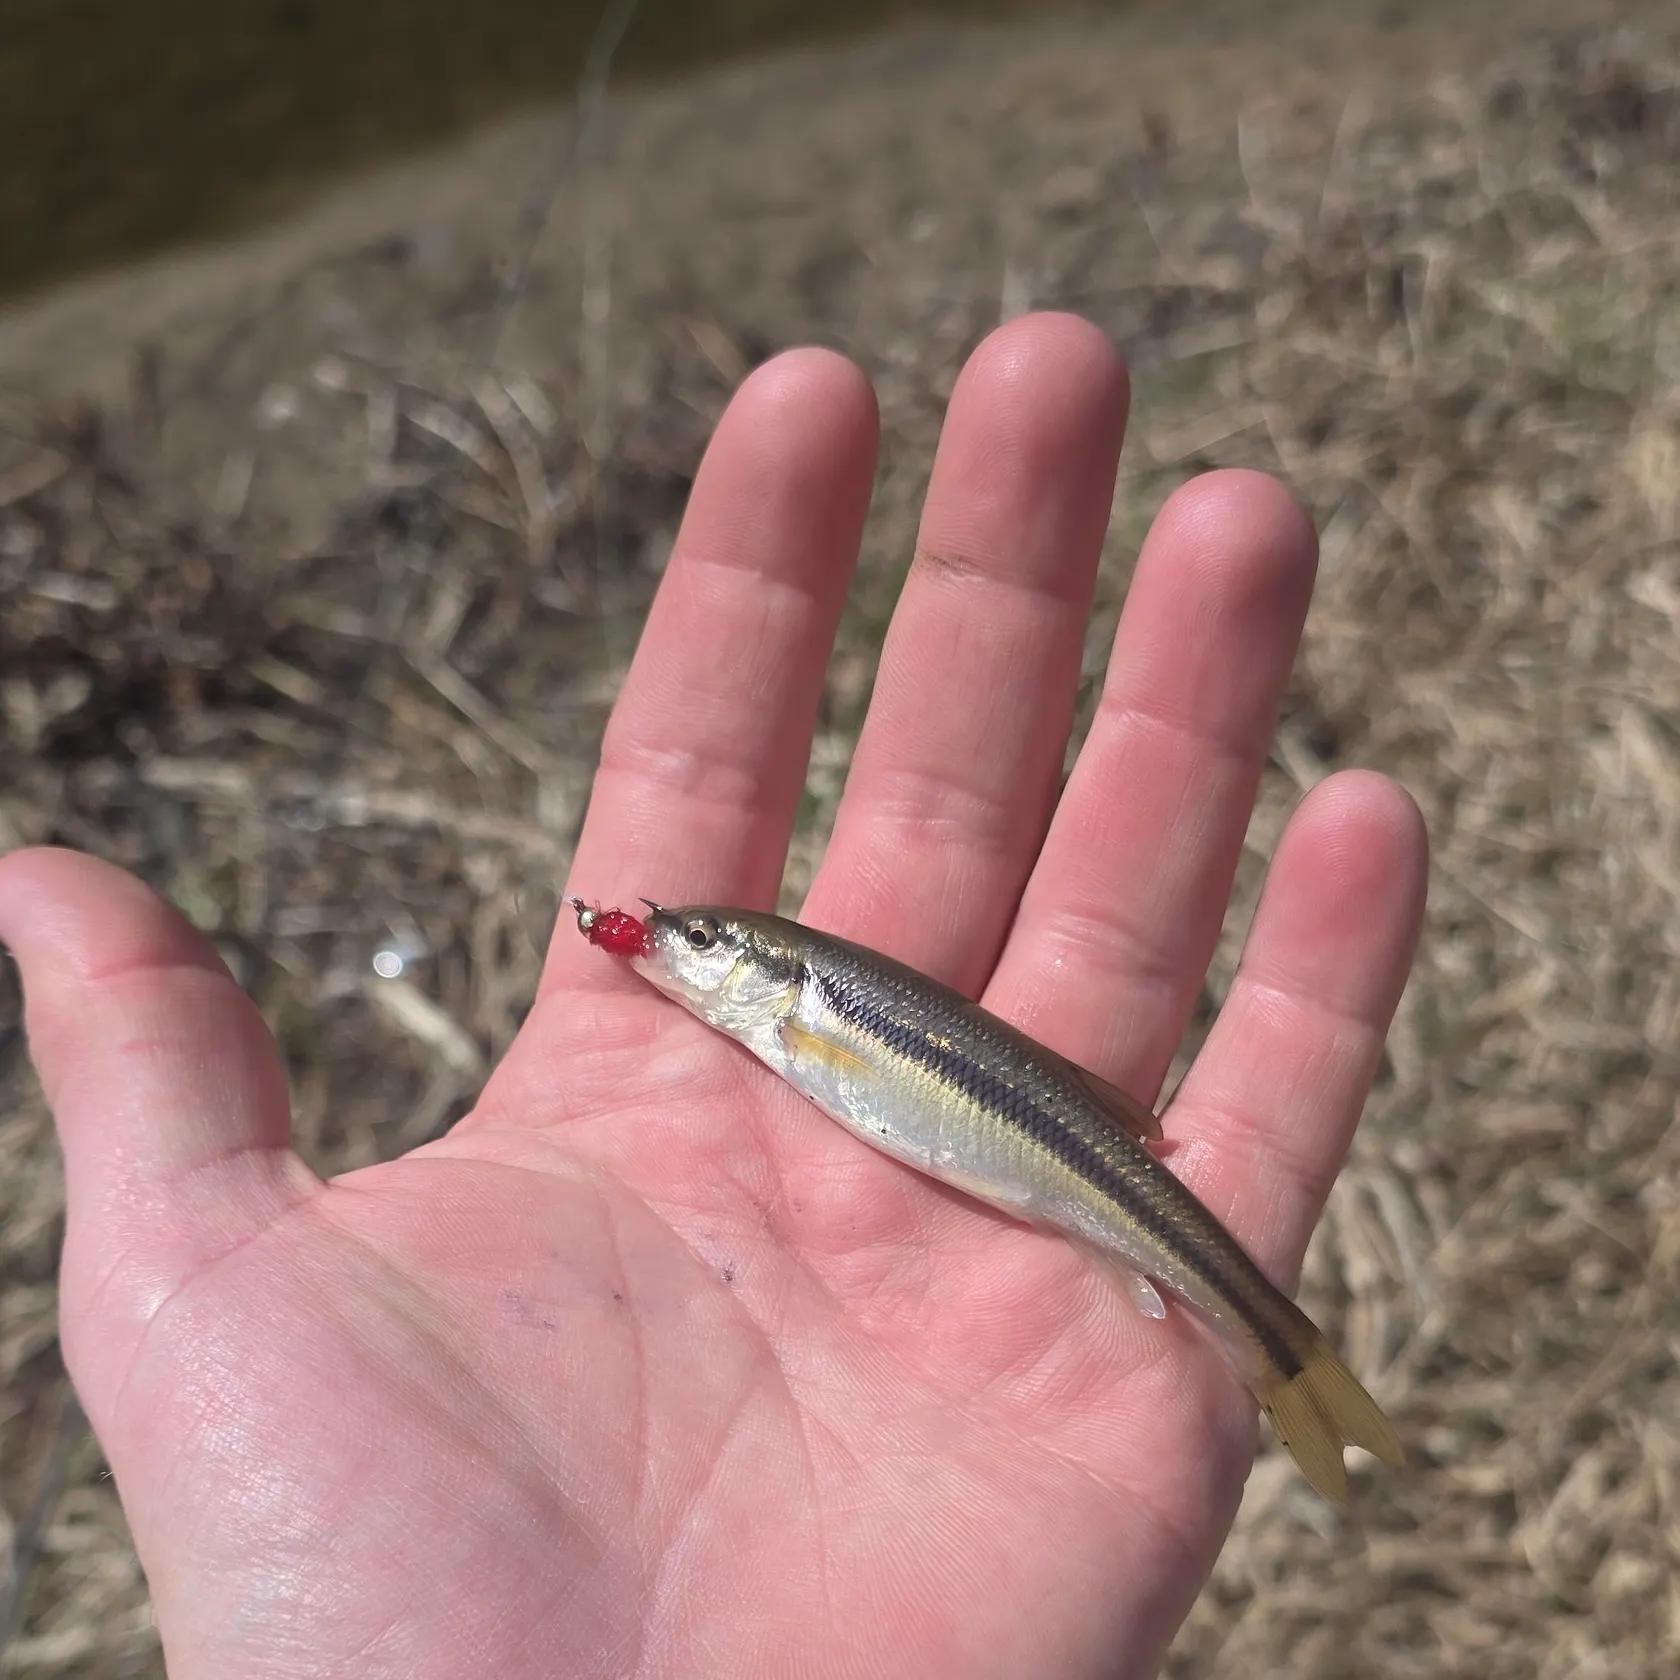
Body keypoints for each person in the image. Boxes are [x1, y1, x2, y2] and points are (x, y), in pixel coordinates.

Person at [0, 313, 1426, 1678]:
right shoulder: (775, 1007)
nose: (670, 951)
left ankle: (1286, 1359)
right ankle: (1293, 1367)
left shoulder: (795, 1001)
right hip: (1057, 1148)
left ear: (762, 975)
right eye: (679, 939)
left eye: (694, 944)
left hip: (1063, 1153)